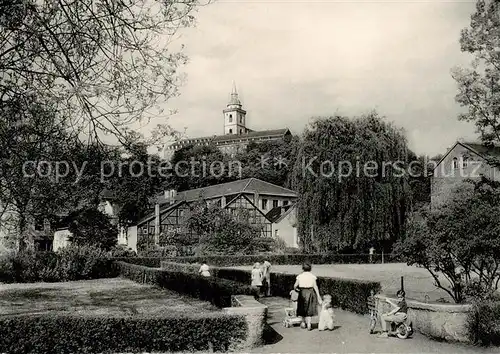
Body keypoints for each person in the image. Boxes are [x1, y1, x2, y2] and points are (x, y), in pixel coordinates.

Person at [294, 262, 322, 331]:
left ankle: (303, 322)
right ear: (310, 268)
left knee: (302, 307)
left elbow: (295, 286)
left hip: (302, 292)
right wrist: (318, 296)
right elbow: (315, 286)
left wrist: (296, 290)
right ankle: (309, 324)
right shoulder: (312, 276)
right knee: (309, 308)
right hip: (310, 292)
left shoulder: (300, 276)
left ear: (302, 268)